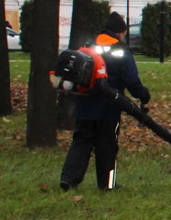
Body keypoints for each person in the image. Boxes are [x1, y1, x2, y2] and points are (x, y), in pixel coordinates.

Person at [59, 12, 150, 192]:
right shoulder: (120, 50)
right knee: (107, 146)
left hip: (85, 105)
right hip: (109, 108)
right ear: (120, 32)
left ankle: (69, 179)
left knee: (81, 141)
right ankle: (106, 184)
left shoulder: (89, 45)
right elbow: (131, 80)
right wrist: (143, 95)